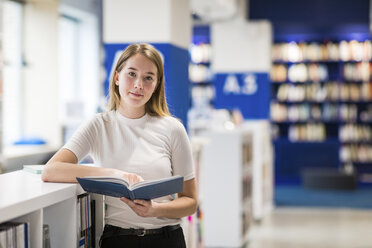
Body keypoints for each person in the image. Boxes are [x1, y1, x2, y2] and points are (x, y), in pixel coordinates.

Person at [42, 43, 197, 247]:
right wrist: (115, 175)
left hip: (166, 239)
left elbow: (190, 202)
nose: (138, 84)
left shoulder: (172, 129)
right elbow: (51, 170)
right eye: (131, 74)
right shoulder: (99, 125)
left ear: (157, 85)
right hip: (117, 239)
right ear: (116, 77)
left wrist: (155, 209)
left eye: (148, 77)